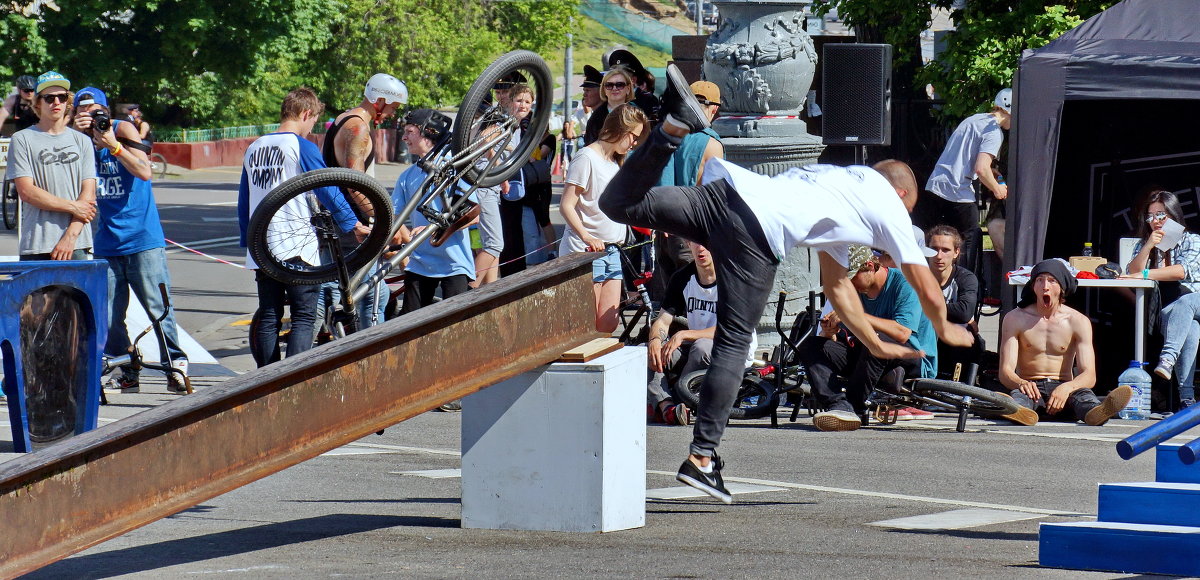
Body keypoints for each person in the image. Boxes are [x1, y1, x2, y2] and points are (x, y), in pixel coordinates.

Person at [598, 64, 973, 503]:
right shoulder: (887, 206)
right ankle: (702, 458)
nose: (885, 247)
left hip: (725, 194)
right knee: (735, 341)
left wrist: (872, 342)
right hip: (757, 234)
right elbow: (925, 284)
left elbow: (837, 290)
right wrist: (947, 330)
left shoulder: (844, 185)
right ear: (904, 196)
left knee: (618, 203)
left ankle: (673, 128)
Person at [72, 87, 188, 393]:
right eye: (84, 112)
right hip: (106, 242)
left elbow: (145, 171)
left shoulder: (121, 130)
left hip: (142, 238)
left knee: (158, 306)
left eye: (97, 111)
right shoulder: (78, 143)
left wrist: (113, 145)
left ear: (107, 111)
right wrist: (75, 135)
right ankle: (126, 367)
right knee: (109, 314)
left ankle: (174, 365)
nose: (92, 118)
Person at [238, 87, 362, 367]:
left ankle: (266, 377)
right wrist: (351, 223)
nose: (311, 129)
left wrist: (248, 243)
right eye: (313, 121)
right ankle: (291, 380)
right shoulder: (300, 146)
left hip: (262, 246)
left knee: (269, 315)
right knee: (304, 316)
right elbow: (327, 188)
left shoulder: (255, 147)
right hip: (298, 248)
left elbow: (243, 200)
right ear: (306, 113)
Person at [801, 245, 939, 431]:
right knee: (812, 345)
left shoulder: (906, 284)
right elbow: (838, 344)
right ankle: (838, 405)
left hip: (911, 355)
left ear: (870, 266)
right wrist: (829, 332)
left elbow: (902, 333)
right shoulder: (854, 291)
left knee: (877, 341)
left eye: (852, 278)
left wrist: (856, 315)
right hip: (869, 356)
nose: (849, 285)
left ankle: (853, 406)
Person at [999, 259, 1133, 426]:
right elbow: (1005, 371)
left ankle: (1097, 412)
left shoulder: (1078, 321)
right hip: (1030, 387)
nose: (1045, 286)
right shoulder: (1015, 318)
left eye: (1051, 280)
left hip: (1064, 387)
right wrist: (1021, 383)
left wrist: (1067, 388)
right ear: (1033, 287)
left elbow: (1089, 375)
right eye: (1039, 280)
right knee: (1020, 397)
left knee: (1084, 397)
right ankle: (1016, 410)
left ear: (1062, 287)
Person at [322, 73, 407, 327]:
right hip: (354, 224)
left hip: (335, 217)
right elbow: (357, 185)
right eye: (393, 107)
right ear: (380, 100)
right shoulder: (358, 129)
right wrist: (385, 219)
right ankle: (372, 355)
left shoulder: (343, 119)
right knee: (373, 296)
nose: (392, 113)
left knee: (332, 289)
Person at [646, 240, 757, 426]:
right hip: (695, 347)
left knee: (702, 347)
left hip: (733, 350)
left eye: (706, 243)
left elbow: (731, 328)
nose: (701, 249)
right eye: (695, 242)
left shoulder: (734, 277)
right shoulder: (683, 277)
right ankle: (667, 408)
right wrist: (655, 340)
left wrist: (683, 334)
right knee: (646, 352)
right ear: (688, 244)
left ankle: (681, 400)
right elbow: (663, 319)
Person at [561, 103, 646, 333]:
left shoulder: (614, 163)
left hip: (612, 249)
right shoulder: (587, 157)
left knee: (608, 322)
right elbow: (566, 205)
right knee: (588, 324)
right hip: (587, 250)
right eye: (633, 136)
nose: (634, 143)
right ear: (621, 130)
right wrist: (586, 236)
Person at [918, 88, 1011, 280]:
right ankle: (966, 290)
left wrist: (989, 173)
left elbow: (965, 158)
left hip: (936, 186)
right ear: (1011, 111)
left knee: (935, 242)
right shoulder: (994, 132)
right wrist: (997, 188)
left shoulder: (974, 119)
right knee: (969, 240)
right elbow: (981, 169)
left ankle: (931, 289)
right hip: (957, 191)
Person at [8, 71, 97, 260]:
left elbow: (88, 196)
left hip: (77, 244)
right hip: (37, 244)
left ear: (68, 102)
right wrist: (74, 207)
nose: (56, 102)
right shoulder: (22, 139)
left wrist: (70, 238)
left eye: (62, 97)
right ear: (38, 103)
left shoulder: (82, 141)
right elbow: (27, 192)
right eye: (49, 98)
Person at [392, 109, 475, 314]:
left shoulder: (454, 169)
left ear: (429, 132)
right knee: (408, 326)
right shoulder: (406, 176)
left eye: (410, 131)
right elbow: (394, 217)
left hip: (455, 263)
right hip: (420, 262)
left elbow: (475, 214)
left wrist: (434, 228)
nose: (404, 137)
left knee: (456, 328)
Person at [1124, 189, 1200, 410]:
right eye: (1150, 216)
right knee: (1192, 330)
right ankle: (1187, 399)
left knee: (1187, 302)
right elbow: (1132, 273)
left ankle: (1167, 358)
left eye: (1160, 215)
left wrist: (1147, 274)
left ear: (1173, 215)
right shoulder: (1145, 244)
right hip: (1171, 311)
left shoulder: (1191, 240)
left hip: (1195, 300)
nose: (1155, 221)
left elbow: (1181, 271)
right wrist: (1148, 246)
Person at [651, 80, 724, 302]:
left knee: (668, 300)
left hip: (664, 228)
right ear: (714, 109)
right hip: (693, 233)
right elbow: (714, 194)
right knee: (693, 299)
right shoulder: (711, 143)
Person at [926, 224, 985, 377]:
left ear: (956, 252)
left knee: (970, 340)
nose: (939, 256)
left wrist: (925, 308)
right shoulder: (917, 275)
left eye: (945, 250)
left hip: (955, 342)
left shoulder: (966, 278)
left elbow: (964, 313)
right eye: (934, 249)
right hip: (924, 335)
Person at [583, 64, 638, 146]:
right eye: (609, 85)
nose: (614, 88)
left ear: (628, 88)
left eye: (620, 85)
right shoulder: (596, 118)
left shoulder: (637, 113)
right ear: (604, 90)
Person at [562, 65, 602, 163]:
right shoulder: (596, 115)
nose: (584, 94)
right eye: (584, 90)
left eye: (588, 90)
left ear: (601, 92)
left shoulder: (603, 116)